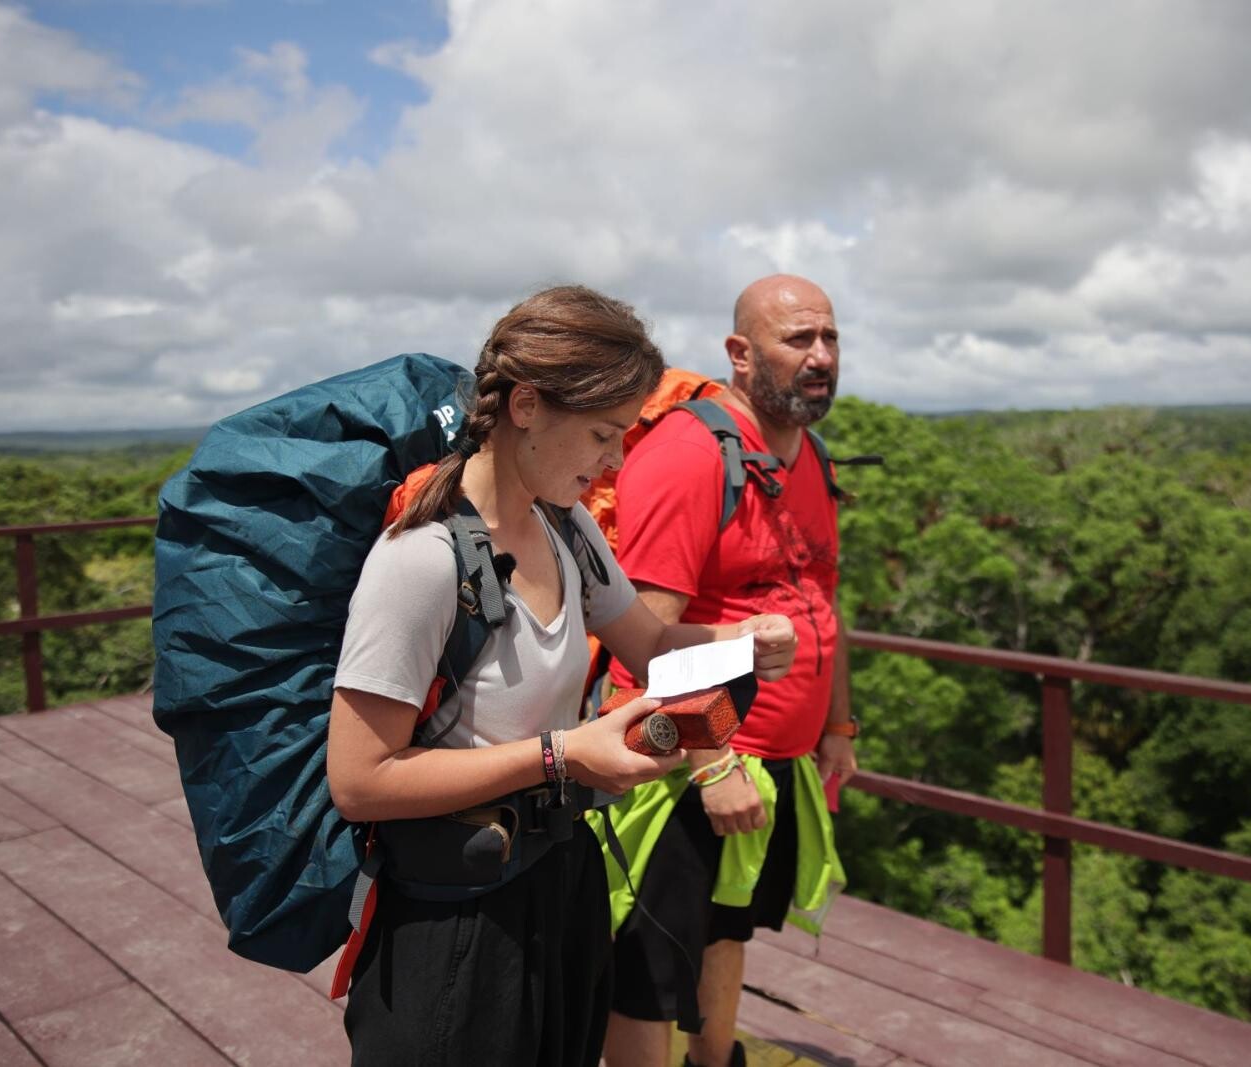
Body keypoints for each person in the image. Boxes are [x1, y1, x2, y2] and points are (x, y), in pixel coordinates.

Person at [326, 285, 798, 1067]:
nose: (617, 461)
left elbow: (649, 646)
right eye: (604, 434)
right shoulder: (421, 560)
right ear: (525, 407)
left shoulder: (566, 527)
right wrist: (563, 754)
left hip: (561, 881)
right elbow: (360, 778)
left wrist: (740, 642)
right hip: (456, 920)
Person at [602, 275, 856, 1067]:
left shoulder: (808, 453)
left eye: (830, 338)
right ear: (740, 355)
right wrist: (714, 765)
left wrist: (837, 724)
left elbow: (821, 596)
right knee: (647, 961)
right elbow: (639, 640)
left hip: (776, 763)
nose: (821, 356)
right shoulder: (689, 454)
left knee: (725, 925)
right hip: (682, 759)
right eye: (798, 339)